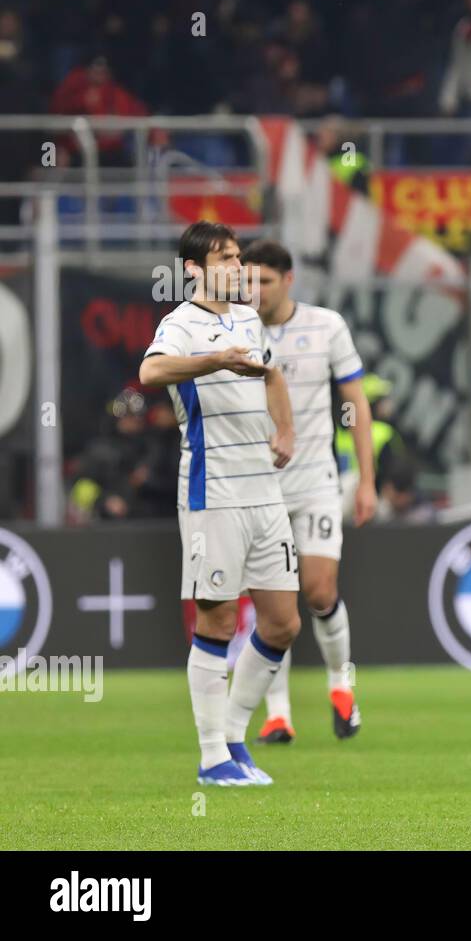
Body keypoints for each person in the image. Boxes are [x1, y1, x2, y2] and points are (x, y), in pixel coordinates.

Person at [139, 221, 299, 787]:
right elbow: (150, 371)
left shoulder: (249, 319)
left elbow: (270, 373)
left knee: (283, 623)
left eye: (237, 257)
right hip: (214, 492)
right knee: (219, 618)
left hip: (264, 489)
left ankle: (234, 736)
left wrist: (285, 429)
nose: (236, 267)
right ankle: (212, 758)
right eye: (226, 259)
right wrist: (215, 361)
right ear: (192, 270)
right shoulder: (179, 324)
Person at [242, 239, 375, 744]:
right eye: (248, 281)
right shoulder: (238, 330)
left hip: (317, 479)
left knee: (318, 590)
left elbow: (357, 404)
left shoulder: (327, 325)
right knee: (273, 604)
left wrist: (366, 480)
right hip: (259, 484)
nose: (255, 291)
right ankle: (278, 714)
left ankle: (342, 686)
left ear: (288, 279)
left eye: (265, 282)